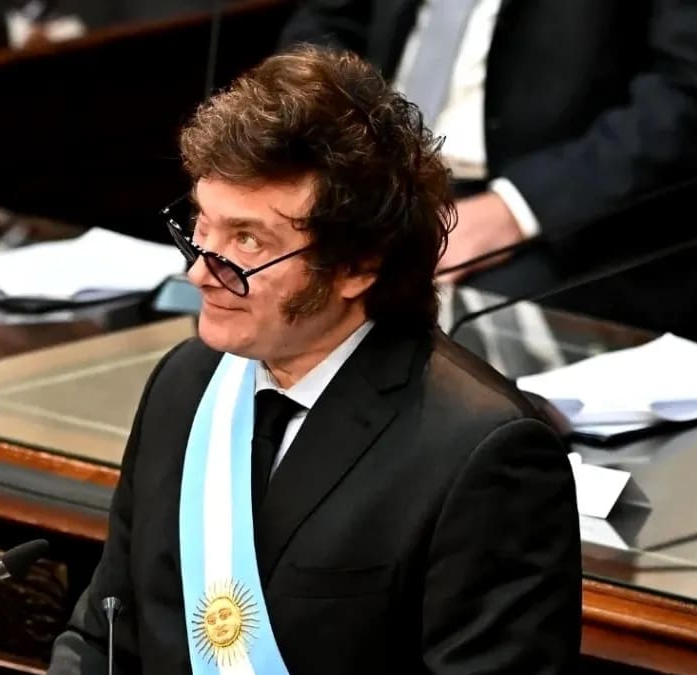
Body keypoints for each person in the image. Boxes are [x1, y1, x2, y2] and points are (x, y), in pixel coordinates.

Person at [47, 45, 580, 675]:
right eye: (201, 227)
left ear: (357, 265)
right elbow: (104, 635)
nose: (200, 272)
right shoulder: (185, 384)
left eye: (247, 241)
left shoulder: (483, 454)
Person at [278, 1, 697, 349]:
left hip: (581, 220)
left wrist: (515, 209)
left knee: (397, 331)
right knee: (254, 278)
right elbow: (325, 25)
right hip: (377, 180)